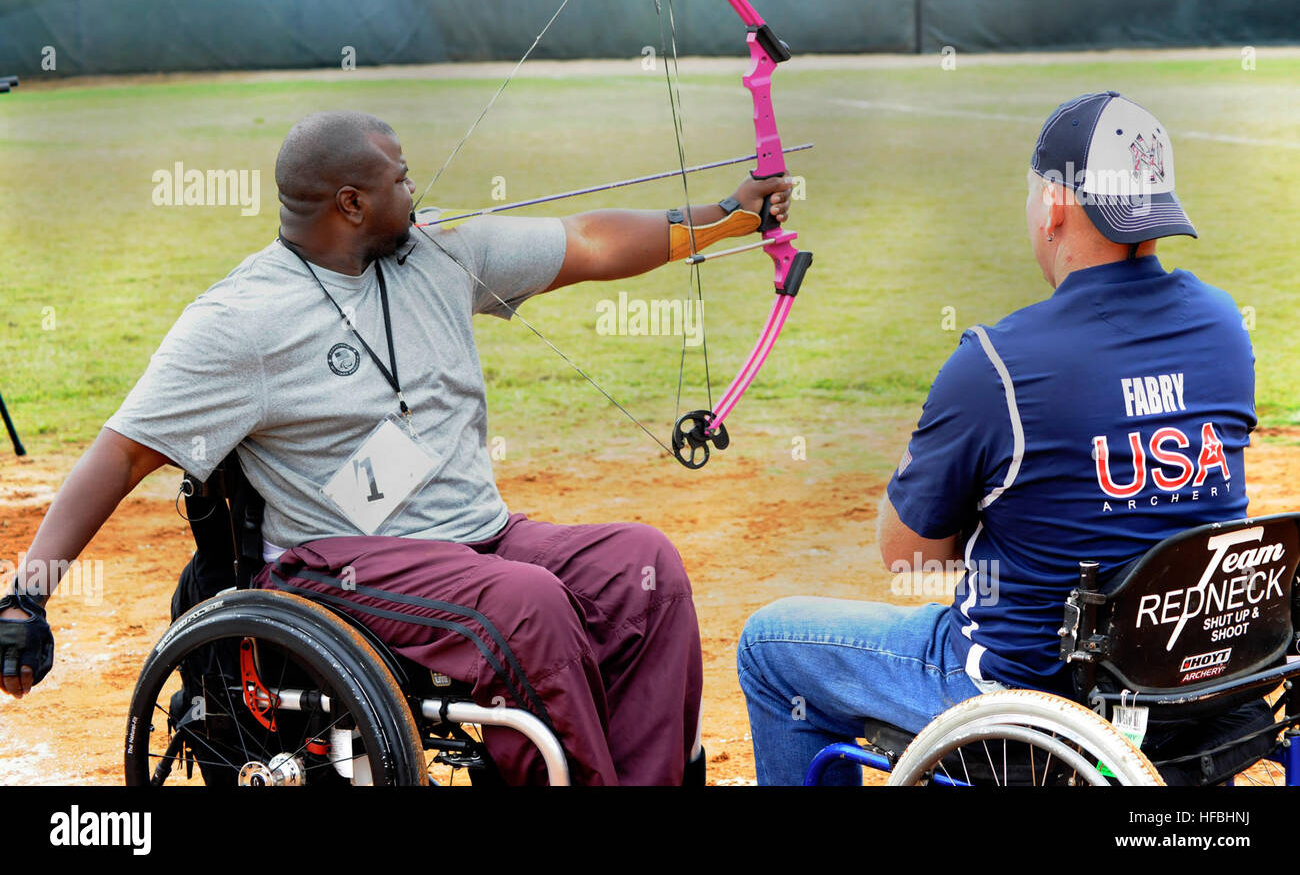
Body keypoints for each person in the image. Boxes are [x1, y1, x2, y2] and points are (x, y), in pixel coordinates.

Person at [0, 110, 793, 787]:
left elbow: (587, 242)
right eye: (402, 179)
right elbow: (123, 453)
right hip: (335, 565)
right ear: (350, 202)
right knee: (526, 605)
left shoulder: (439, 257)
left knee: (641, 568)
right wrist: (26, 596)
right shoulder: (242, 319)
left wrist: (730, 215)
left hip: (480, 538)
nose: (418, 191)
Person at [737, 91, 1255, 785]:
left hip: (1027, 706)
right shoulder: (1224, 325)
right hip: (1192, 694)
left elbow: (904, 552)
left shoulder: (998, 364)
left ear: (1056, 206)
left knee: (770, 646)